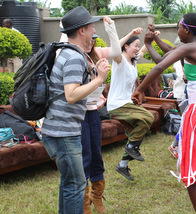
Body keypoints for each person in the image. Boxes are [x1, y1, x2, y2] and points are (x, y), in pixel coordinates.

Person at [132, 13, 196, 213]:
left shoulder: (189, 47)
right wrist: (152, 42)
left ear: (186, 29)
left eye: (178, 27)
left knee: (190, 167)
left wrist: (139, 90)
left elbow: (161, 65)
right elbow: (168, 54)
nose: (177, 31)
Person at [41, 6, 109, 214]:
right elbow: (71, 95)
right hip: (64, 133)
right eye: (91, 27)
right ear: (82, 31)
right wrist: (99, 79)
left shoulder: (68, 53)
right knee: (76, 185)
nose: (93, 31)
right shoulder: (73, 57)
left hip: (56, 131)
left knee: (68, 183)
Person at [81, 16, 121, 214]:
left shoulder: (95, 54)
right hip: (78, 115)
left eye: (94, 39)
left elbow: (116, 50)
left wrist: (110, 27)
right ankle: (84, 202)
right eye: (89, 37)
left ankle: (97, 199)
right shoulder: (72, 54)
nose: (91, 42)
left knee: (96, 156)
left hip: (93, 114)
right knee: (84, 157)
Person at [108, 27, 154, 181]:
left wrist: (150, 39)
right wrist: (130, 34)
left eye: (137, 45)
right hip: (117, 104)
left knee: (136, 135)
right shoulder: (120, 60)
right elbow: (114, 50)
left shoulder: (133, 61)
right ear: (126, 47)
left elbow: (143, 50)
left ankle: (122, 164)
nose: (136, 48)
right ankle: (130, 148)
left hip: (127, 103)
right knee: (148, 117)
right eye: (134, 45)